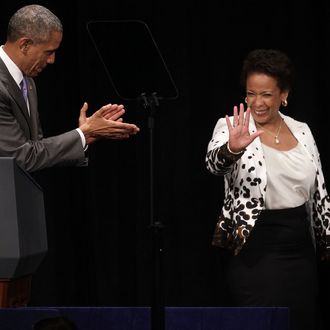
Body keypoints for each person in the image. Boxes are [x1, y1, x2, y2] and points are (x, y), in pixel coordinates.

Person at [206, 48, 329, 330]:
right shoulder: (231, 127)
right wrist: (232, 150)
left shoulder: (302, 130)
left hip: (300, 250)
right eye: (251, 93)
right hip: (256, 249)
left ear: (284, 94)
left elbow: (319, 191)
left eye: (266, 94)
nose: (256, 103)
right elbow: (213, 164)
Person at [0, 4, 139, 173]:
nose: (52, 60)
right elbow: (22, 157)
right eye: (48, 52)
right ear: (25, 45)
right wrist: (82, 134)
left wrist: (86, 135)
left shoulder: (27, 82)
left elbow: (37, 148)